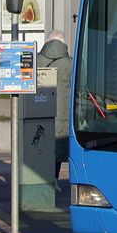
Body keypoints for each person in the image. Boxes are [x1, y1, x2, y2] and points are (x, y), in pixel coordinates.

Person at [38, 30, 73, 184]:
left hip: (40, 107)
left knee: (40, 143)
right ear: (63, 43)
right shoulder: (71, 62)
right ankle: (55, 178)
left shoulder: (37, 60)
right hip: (63, 111)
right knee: (59, 144)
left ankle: (39, 177)